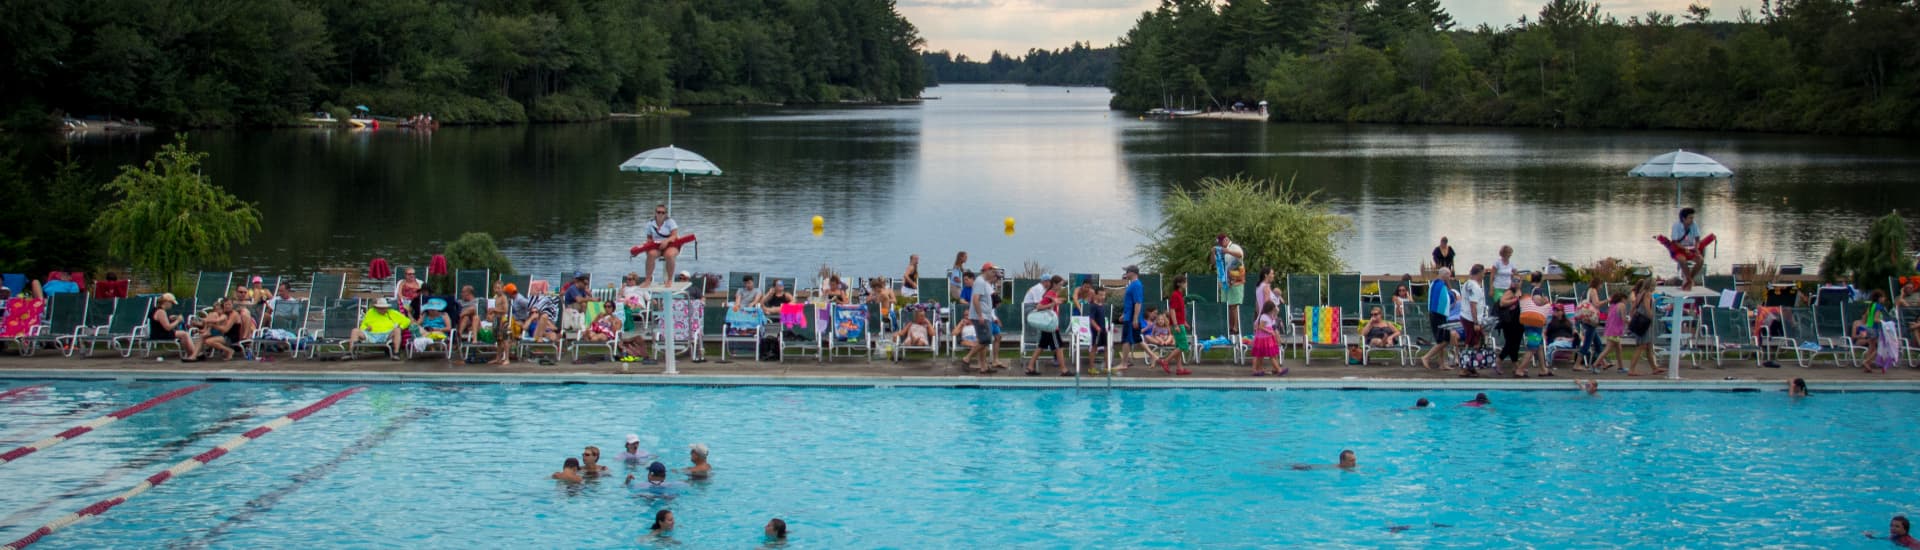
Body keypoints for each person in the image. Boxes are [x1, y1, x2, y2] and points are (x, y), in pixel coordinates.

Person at [1659, 207, 1716, 291]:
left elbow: (1697, 239)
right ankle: (1689, 280)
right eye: (1690, 218)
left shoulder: (1694, 225)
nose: (1692, 220)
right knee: (1682, 259)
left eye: (1693, 218)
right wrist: (1685, 249)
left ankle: (1689, 279)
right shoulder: (1676, 226)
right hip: (1679, 249)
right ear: (1683, 218)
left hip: (1691, 248)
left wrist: (1696, 249)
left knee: (1700, 260)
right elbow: (1675, 242)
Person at [1024, 276, 1067, 376]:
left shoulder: (1052, 294)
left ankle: (1030, 367)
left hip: (1049, 325)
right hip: (1051, 326)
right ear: (1054, 284)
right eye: (1060, 285)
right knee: (1059, 347)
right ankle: (1064, 370)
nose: (1061, 287)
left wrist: (1057, 301)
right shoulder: (1050, 294)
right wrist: (1053, 304)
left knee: (1041, 346)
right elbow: (1039, 307)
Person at [637, 204, 687, 286]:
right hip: (657, 245)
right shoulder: (650, 223)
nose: (660, 214)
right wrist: (648, 243)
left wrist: (666, 241)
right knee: (651, 254)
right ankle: (648, 279)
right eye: (658, 212)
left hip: (671, 244)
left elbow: (674, 235)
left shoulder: (670, 222)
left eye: (663, 212)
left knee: (669, 255)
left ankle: (669, 280)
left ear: (666, 214)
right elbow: (649, 237)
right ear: (655, 213)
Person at [1420, 268, 1456, 370]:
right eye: (1449, 276)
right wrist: (1449, 285)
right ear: (1445, 275)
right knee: (1445, 340)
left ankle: (1442, 363)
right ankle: (1426, 357)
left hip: (1435, 314)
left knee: (1440, 340)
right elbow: (1452, 298)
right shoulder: (1440, 285)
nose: (1450, 278)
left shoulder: (1434, 284)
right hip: (1439, 315)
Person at [147, 293, 200, 361]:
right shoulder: (161, 312)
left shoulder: (155, 309)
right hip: (161, 334)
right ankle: (193, 354)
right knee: (184, 334)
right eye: (171, 303)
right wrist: (178, 320)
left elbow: (158, 322)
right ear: (166, 302)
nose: (171, 305)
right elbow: (168, 327)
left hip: (156, 333)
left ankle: (192, 353)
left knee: (183, 334)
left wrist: (170, 318)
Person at [1625, 279, 1661, 376]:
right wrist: (1652, 318)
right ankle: (1631, 369)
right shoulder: (1647, 294)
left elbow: (1634, 307)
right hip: (1645, 322)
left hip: (1640, 321)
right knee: (1641, 346)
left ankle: (1654, 368)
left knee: (1649, 346)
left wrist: (1631, 317)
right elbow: (1647, 308)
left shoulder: (1640, 293)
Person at [491, 283, 531, 366]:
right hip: (504, 319)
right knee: (499, 340)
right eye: (495, 288)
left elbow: (506, 310)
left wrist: (527, 319)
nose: (497, 290)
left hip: (509, 320)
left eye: (499, 288)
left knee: (505, 339)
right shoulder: (502, 298)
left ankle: (507, 358)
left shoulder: (518, 299)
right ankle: (498, 358)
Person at [1216, 235, 1246, 333]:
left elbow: (1240, 255)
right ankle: (1229, 327)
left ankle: (1235, 327)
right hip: (1225, 280)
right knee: (1227, 305)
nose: (1220, 245)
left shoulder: (1234, 247)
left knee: (1234, 305)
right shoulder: (1220, 250)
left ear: (1226, 240)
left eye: (1221, 242)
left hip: (1236, 279)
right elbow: (1216, 263)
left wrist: (1228, 251)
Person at [1119, 265, 1146, 371]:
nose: (1126, 273)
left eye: (1127, 271)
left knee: (1126, 340)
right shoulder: (1132, 284)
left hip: (1131, 318)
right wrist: (1124, 314)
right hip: (1128, 316)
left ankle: (1124, 363)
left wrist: (1135, 318)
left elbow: (1138, 303)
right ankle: (1125, 362)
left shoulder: (1137, 285)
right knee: (1130, 340)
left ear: (1133, 273)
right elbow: (1129, 303)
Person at [1250, 302, 1287, 376]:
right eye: (1273, 310)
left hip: (1267, 338)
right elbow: (1261, 327)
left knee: (1262, 355)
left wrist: (1277, 338)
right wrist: (1269, 331)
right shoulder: (1264, 316)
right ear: (1269, 310)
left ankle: (1259, 370)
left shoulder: (1271, 317)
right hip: (1262, 339)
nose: (1274, 312)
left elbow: (1273, 326)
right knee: (1267, 355)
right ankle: (1279, 370)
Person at [1292, 450, 1357, 471]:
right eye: (1351, 461)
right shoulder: (1333, 468)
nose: (1354, 463)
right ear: (1342, 461)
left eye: (1354, 460)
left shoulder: (1356, 466)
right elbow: (1313, 467)